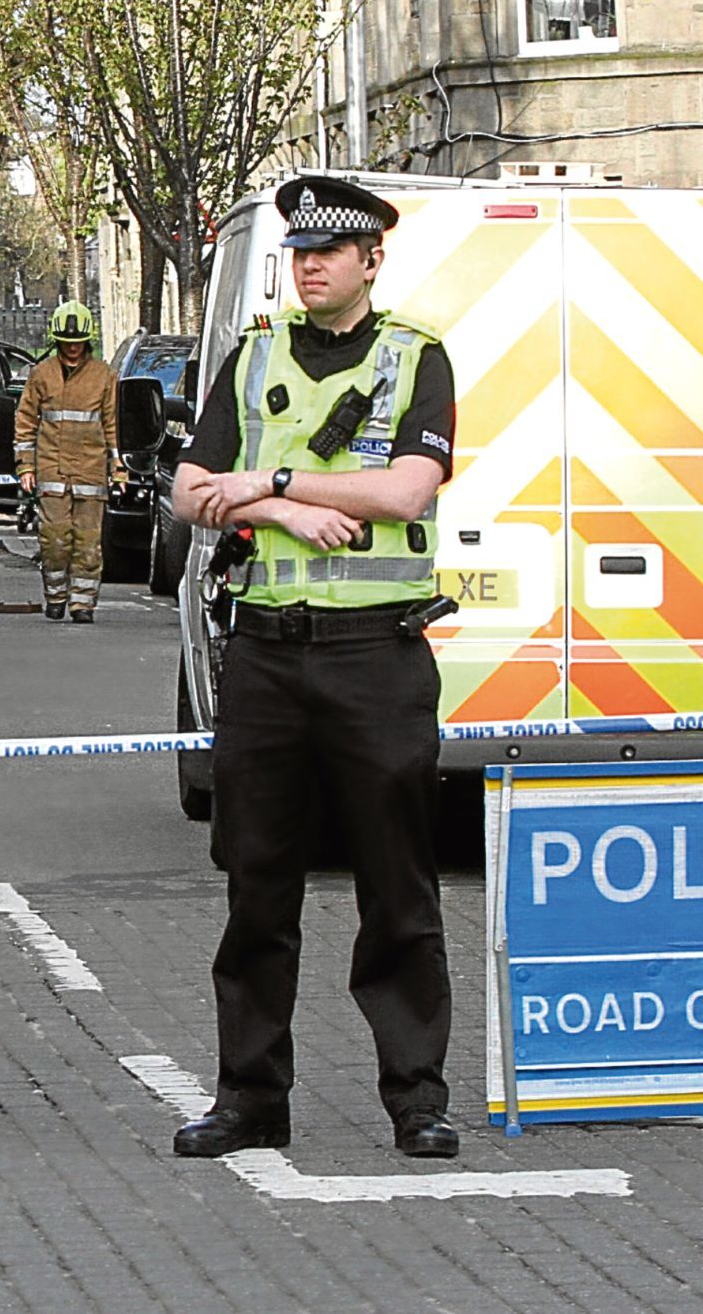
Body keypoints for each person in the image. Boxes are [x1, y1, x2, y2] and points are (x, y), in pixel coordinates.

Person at [164, 175, 462, 1162]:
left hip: (376, 656)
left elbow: (408, 488)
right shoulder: (251, 362)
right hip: (269, 662)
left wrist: (277, 477)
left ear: (371, 261)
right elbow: (188, 489)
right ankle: (252, 1099)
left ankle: (417, 1098)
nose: (310, 265)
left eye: (329, 251)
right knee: (257, 891)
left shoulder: (416, 359)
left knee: (399, 893)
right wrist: (280, 511)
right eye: (298, 252)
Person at [15, 300, 117, 622]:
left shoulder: (104, 376)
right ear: (56, 340)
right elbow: (26, 421)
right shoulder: (41, 375)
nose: (73, 348)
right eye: (66, 342)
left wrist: (119, 470)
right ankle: (55, 596)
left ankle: (82, 603)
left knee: (88, 542)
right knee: (54, 539)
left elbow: (113, 425)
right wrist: (26, 466)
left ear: (87, 340)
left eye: (78, 342)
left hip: (90, 469)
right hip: (51, 467)